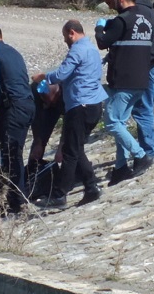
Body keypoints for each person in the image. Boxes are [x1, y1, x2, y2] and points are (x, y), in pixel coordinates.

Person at [31, 21, 106, 208]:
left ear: (71, 33)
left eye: (65, 37)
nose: (65, 41)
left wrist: (43, 78)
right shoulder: (92, 49)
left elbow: (61, 74)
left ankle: (60, 194)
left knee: (70, 152)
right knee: (76, 148)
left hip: (80, 105)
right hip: (94, 104)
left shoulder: (77, 50)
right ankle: (91, 187)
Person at [102, 0, 154, 160]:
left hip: (153, 63)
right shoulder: (142, 8)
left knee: (141, 108)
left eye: (110, 2)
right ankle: (131, 156)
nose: (110, 7)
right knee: (138, 108)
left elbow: (133, 44)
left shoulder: (135, 12)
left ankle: (149, 152)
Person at [95, 0, 154, 184]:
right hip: (141, 80)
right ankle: (121, 167)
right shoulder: (144, 19)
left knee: (112, 122)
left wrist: (99, 28)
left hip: (124, 82)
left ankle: (140, 156)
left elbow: (103, 42)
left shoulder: (121, 21)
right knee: (119, 123)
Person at [0, 25, 35, 211]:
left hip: (15, 107)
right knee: (12, 151)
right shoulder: (14, 52)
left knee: (12, 155)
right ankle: (16, 196)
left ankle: (18, 201)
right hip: (28, 104)